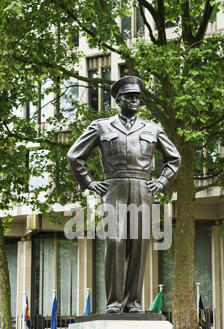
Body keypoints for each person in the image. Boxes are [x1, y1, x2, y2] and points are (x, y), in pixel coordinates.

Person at [68, 76, 181, 313]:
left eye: (138, 97)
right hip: (114, 188)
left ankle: (133, 303)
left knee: (139, 246)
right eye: (130, 97)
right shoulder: (101, 126)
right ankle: (114, 303)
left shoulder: (152, 128)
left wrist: (161, 182)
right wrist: (89, 182)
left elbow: (174, 158)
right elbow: (74, 155)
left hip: (143, 188)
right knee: (116, 243)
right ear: (118, 100)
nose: (135, 101)